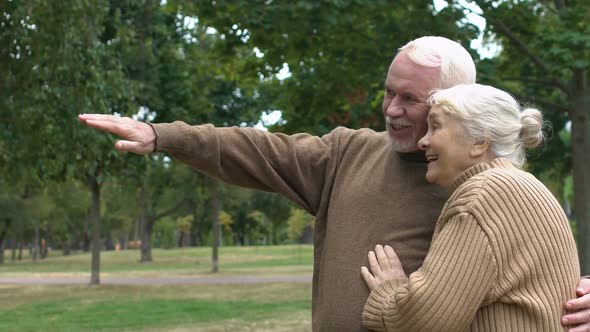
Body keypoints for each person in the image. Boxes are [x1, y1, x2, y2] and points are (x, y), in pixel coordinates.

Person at [78, 36, 590, 331]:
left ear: (457, 106)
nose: (391, 110)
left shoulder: (489, 185)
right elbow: (260, 149)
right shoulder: (350, 153)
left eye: (412, 101)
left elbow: (538, 278)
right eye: (388, 93)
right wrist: (162, 135)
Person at [361, 83, 579, 331]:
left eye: (435, 126)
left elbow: (425, 322)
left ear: (479, 141)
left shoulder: (483, 195)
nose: (423, 141)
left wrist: (387, 292)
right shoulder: (524, 185)